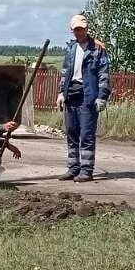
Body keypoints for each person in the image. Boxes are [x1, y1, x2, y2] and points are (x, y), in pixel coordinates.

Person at [55, 14, 111, 182]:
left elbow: (104, 74)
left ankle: (86, 171)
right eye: (76, 30)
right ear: (72, 31)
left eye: (81, 29)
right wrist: (60, 93)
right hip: (71, 94)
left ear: (86, 29)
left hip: (88, 96)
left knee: (86, 135)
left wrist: (102, 96)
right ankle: (73, 168)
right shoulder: (71, 49)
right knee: (71, 133)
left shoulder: (97, 49)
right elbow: (65, 72)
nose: (79, 32)